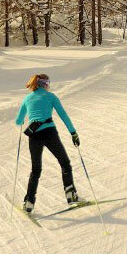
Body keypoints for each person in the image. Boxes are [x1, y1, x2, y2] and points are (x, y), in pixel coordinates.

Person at [15, 74, 81, 213]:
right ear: (45, 84)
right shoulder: (51, 97)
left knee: (36, 169)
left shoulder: (27, 98)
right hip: (49, 132)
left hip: (34, 136)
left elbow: (18, 121)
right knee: (64, 163)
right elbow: (63, 115)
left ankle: (29, 202)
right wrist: (73, 133)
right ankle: (70, 194)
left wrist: (25, 119)